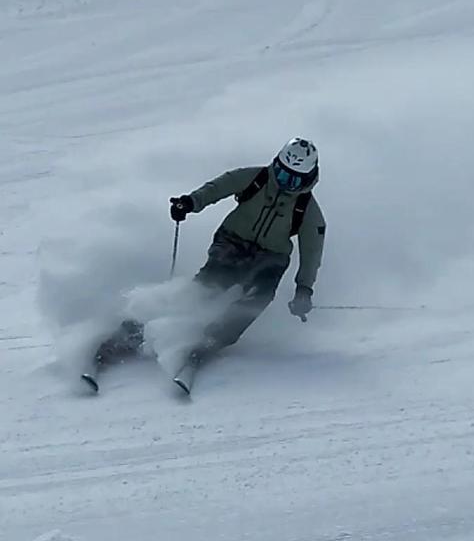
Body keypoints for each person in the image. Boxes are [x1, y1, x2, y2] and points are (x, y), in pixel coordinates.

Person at [93, 138, 326, 369]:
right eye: (282, 173)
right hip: (233, 240)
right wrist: (191, 202)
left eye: (294, 179)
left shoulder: (309, 212)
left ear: (307, 178)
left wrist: (304, 290)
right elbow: (220, 186)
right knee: (208, 287)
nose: (285, 182)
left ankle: (212, 339)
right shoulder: (257, 178)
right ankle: (133, 332)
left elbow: (312, 253)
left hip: (272, 256)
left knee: (258, 296)